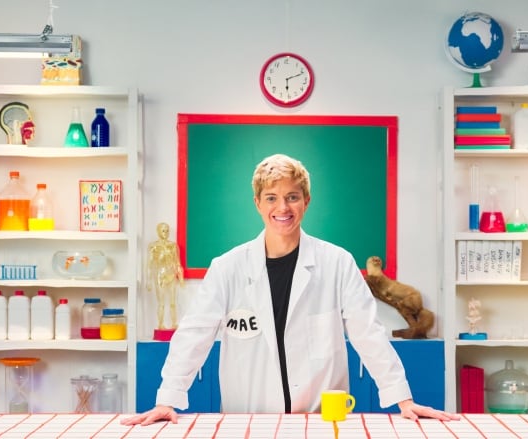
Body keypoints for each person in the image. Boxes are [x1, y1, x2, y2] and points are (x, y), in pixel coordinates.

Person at [123, 154, 459, 425]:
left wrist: (402, 398)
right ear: (257, 203)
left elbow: (368, 335)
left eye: (292, 197)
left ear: (306, 201)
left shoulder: (337, 263)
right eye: (272, 197)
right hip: (247, 419)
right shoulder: (228, 267)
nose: (282, 208)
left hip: (322, 420)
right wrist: (167, 399)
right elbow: (193, 336)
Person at [146, 222, 184, 330]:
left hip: (171, 275)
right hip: (160, 277)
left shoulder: (173, 246)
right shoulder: (154, 247)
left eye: (167, 230)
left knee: (173, 302)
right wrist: (148, 280)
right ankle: (161, 324)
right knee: (161, 303)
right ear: (158, 231)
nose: (166, 233)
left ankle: (174, 324)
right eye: (163, 230)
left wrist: (180, 278)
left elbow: (177, 263)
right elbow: (149, 264)